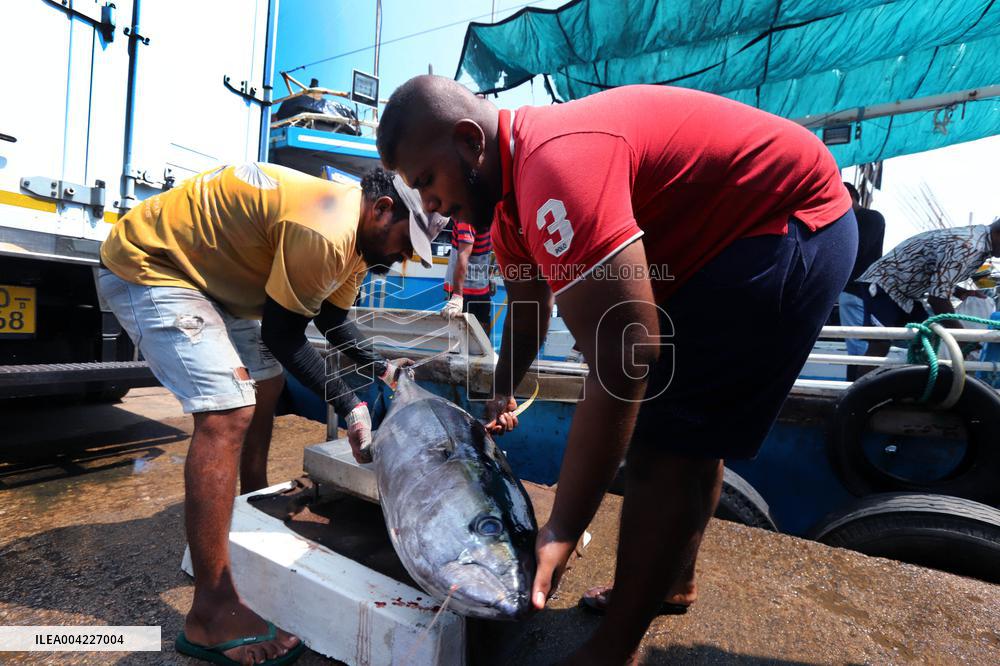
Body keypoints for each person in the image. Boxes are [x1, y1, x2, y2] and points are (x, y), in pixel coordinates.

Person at [377, 76, 856, 665]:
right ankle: (670, 582)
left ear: (470, 142)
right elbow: (528, 317)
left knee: (665, 446)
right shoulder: (506, 215)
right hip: (712, 246)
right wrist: (499, 394)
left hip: (784, 222)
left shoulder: (552, 167)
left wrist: (562, 527)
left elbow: (625, 355)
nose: (427, 204)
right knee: (687, 431)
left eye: (426, 180)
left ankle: (613, 649)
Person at [98, 163, 444, 666]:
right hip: (153, 263)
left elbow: (330, 319)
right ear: (383, 208)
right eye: (405, 241)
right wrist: (350, 405)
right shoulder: (326, 229)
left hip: (220, 285)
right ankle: (211, 613)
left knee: (267, 382)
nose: (405, 255)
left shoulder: (360, 245)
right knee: (228, 410)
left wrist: (383, 367)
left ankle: (249, 499)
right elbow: (286, 336)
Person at [857, 218, 1000, 365]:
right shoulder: (970, 246)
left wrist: (961, 292)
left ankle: (918, 384)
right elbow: (937, 300)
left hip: (908, 294)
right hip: (884, 283)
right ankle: (856, 387)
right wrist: (961, 337)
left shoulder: (981, 242)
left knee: (929, 340)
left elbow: (938, 277)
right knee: (880, 345)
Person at [838, 182, 885, 379]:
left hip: (858, 290)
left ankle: (858, 388)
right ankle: (856, 386)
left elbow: (857, 251)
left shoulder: (868, 217)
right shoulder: (864, 219)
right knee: (858, 346)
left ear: (848, 194)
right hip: (854, 291)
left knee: (860, 347)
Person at [441, 218, 494, 333]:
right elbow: (463, 257)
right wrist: (457, 297)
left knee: (482, 340)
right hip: (464, 291)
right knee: (462, 339)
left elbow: (488, 251)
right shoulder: (467, 219)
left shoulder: (490, 215)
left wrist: (489, 278)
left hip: (481, 288)